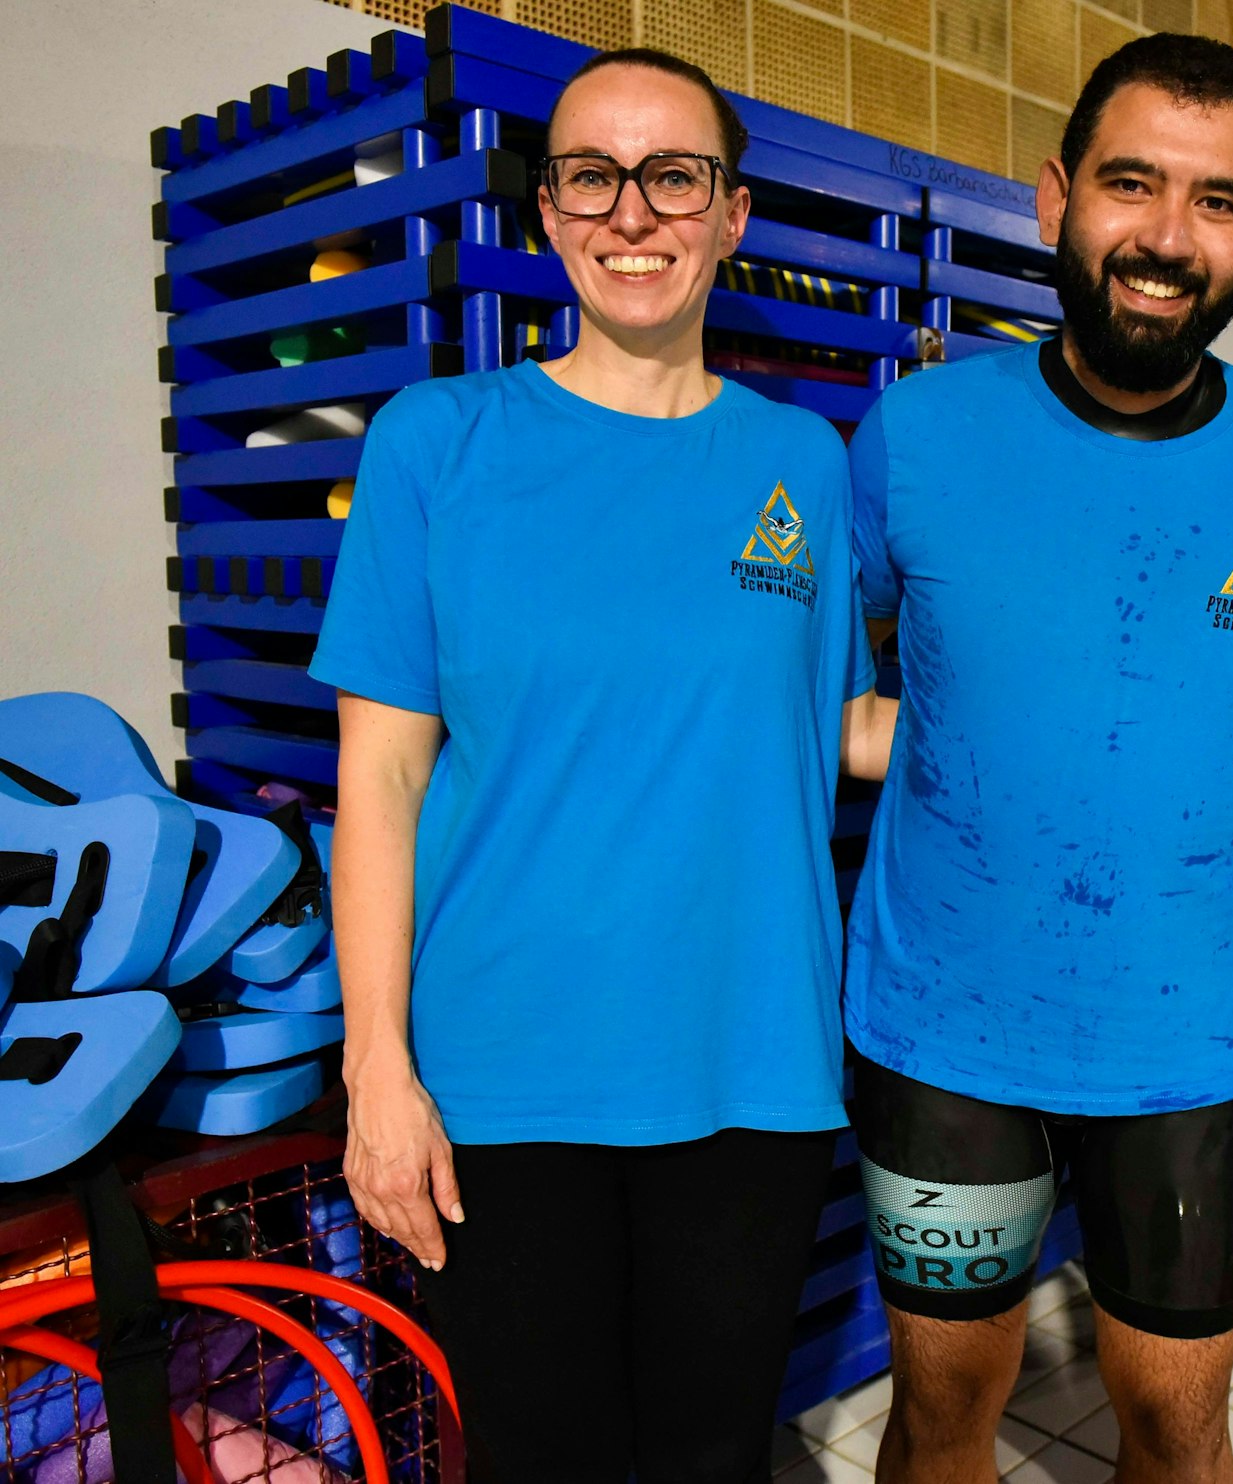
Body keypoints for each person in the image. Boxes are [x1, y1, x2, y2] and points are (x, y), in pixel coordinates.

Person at [308, 48, 893, 1484]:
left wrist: (1089, 718)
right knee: (539, 1460)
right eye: (592, 175)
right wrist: (377, 1069)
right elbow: (378, 779)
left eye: (674, 176)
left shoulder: (801, 464)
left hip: (746, 1061)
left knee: (708, 1458)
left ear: (731, 212)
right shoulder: (437, 448)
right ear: (548, 211)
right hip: (506, 1076)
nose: (634, 213)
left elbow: (831, 730)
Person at [844, 35, 1233, 1484]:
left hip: (1191, 1041)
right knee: (945, 1412)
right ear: (1057, 198)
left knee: (1174, 1423)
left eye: (1215, 201)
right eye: (1131, 185)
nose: (1165, 236)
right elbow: (832, 691)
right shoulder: (915, 433)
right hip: (945, 1029)